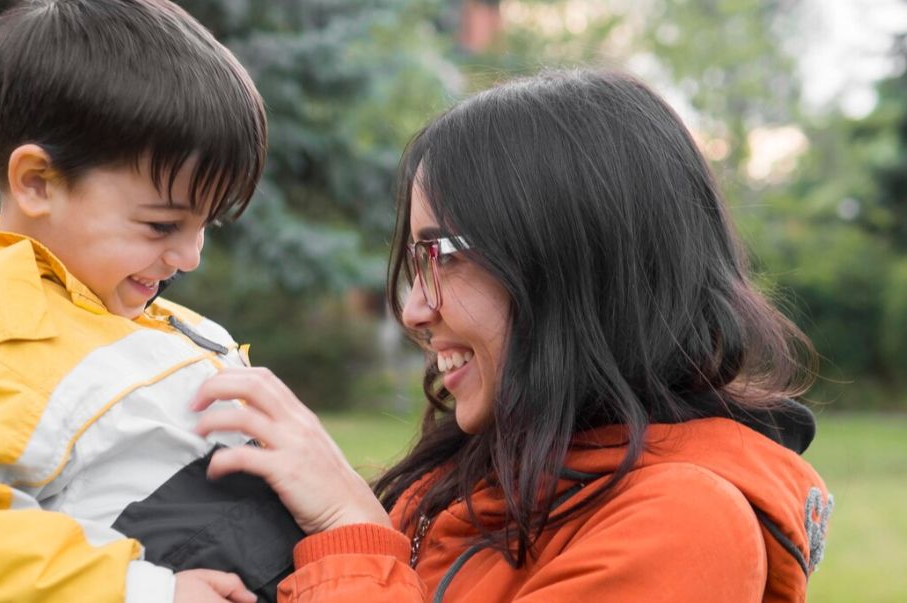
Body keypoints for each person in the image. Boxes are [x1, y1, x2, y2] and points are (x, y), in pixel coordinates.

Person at [192, 68, 834, 602]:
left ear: (572, 262)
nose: (414, 309)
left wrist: (348, 530)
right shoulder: (473, 473)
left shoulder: (687, 525)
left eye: (440, 254)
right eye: (416, 264)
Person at [0, 1, 304, 602]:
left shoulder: (123, 307)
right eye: (162, 225)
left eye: (205, 224)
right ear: (37, 182)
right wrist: (145, 593)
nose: (190, 256)